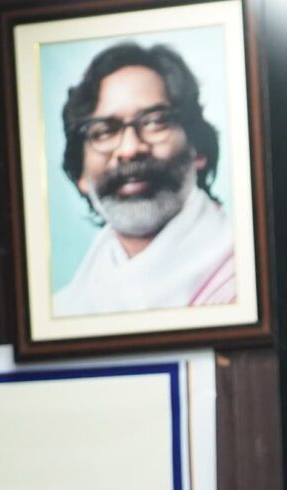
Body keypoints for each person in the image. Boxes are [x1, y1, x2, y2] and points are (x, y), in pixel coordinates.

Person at [50, 41, 238, 317]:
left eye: (154, 122)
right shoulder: (65, 311)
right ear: (81, 175)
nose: (130, 149)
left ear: (197, 150)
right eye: (104, 131)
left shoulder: (249, 277)